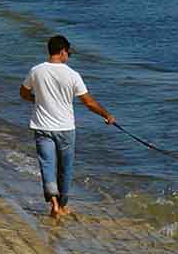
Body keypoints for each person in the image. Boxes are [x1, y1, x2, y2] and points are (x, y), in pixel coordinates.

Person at [21, 34, 115, 219]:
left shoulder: (36, 71)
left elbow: (23, 92)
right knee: (65, 168)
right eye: (68, 53)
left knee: (47, 165)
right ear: (63, 51)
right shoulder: (72, 75)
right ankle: (62, 205)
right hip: (65, 129)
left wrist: (37, 100)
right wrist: (106, 115)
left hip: (42, 126)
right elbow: (88, 102)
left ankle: (53, 204)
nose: (68, 56)